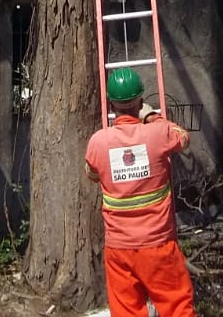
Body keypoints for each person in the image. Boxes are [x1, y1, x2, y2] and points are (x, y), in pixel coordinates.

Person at [84, 66, 197, 317]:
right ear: (141, 102)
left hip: (119, 249)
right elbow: (184, 137)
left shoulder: (97, 142)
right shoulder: (158, 133)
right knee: (177, 307)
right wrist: (153, 117)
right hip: (158, 245)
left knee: (126, 311)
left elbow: (92, 174)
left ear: (111, 105)